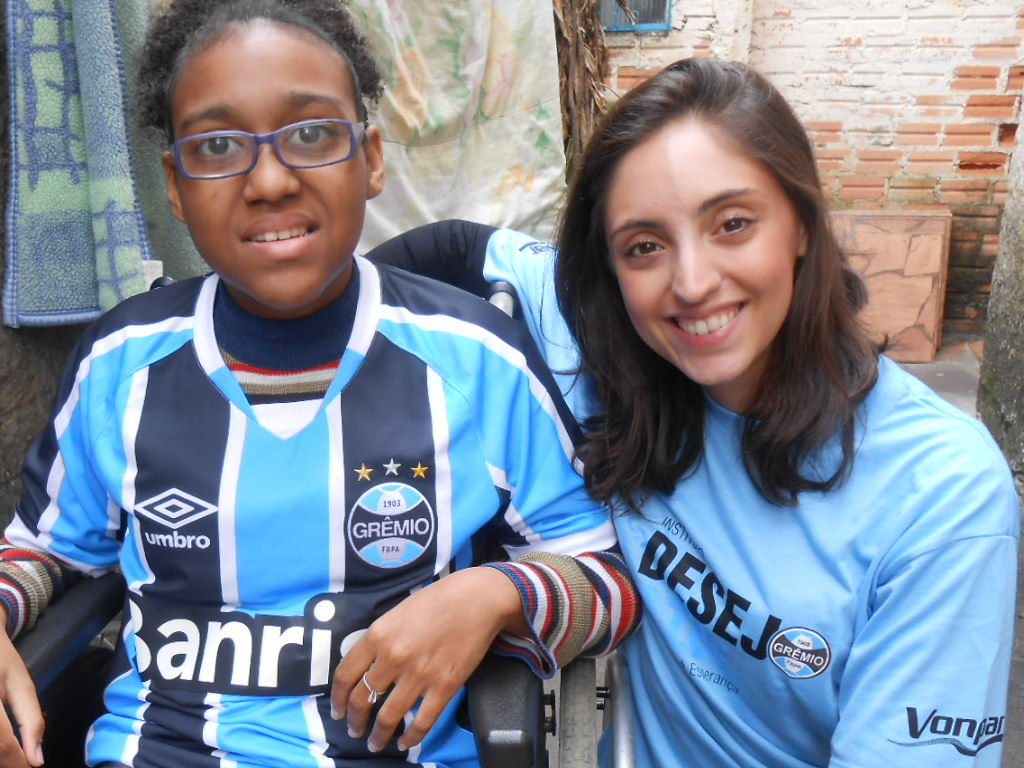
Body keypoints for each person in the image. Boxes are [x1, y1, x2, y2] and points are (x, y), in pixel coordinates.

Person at [0, 2, 640, 766]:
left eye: (310, 135)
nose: (268, 180)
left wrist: (495, 594)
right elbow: (41, 552)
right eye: (217, 146)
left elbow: (607, 577)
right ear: (174, 184)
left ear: (371, 158)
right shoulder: (121, 363)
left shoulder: (475, 359)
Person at [368, 58, 1020, 767]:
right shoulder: (619, 356)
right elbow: (461, 248)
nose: (692, 282)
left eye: (733, 224)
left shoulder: (945, 498)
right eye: (644, 246)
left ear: (802, 223)